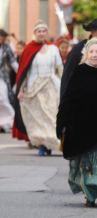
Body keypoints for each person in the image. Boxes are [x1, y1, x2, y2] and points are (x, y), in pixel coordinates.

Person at [56, 38, 97, 206]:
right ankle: (89, 194)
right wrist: (62, 122)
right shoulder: (79, 72)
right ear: (86, 54)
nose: (94, 54)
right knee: (86, 163)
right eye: (91, 51)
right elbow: (68, 99)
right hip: (80, 125)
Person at [14, 20, 62, 156]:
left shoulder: (53, 48)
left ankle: (50, 143)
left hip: (51, 86)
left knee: (51, 115)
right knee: (38, 117)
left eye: (44, 31)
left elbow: (60, 68)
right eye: (39, 31)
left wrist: (64, 85)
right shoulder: (29, 49)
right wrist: (21, 90)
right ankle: (41, 144)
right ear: (35, 33)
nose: (41, 33)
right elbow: (24, 71)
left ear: (47, 33)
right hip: (34, 87)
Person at [0, 29, 18, 132]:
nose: (1, 40)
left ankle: (7, 121)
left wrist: (21, 72)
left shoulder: (6, 48)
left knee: (3, 98)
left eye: (2, 38)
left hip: (2, 76)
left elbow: (13, 62)